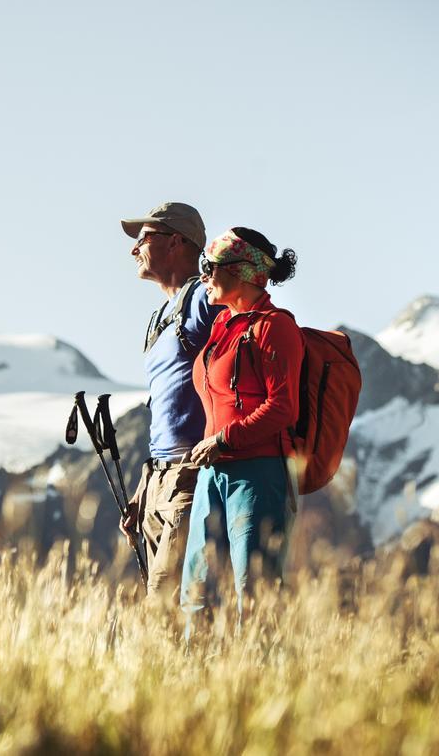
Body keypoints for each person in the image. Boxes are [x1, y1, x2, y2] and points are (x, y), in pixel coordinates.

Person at [180, 227, 303, 623]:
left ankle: (259, 681)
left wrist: (223, 439)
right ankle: (192, 679)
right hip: (212, 474)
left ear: (245, 272)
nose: (204, 276)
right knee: (195, 591)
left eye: (211, 266)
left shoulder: (275, 327)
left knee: (254, 594)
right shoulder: (222, 329)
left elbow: (283, 407)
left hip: (259, 475)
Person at [118, 202, 223, 599]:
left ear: (176, 242)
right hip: (157, 480)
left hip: (189, 477)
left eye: (143, 238)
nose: (134, 249)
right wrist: (144, 489)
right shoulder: (161, 316)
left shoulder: (199, 299)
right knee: (162, 602)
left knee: (164, 605)